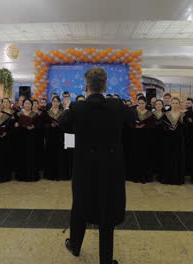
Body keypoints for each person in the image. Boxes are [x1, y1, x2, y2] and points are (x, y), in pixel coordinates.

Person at [60, 66, 132, 264]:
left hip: (84, 169)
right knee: (107, 212)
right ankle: (105, 260)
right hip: (111, 168)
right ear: (105, 85)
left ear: (86, 87)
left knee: (80, 206)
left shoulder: (76, 107)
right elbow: (132, 121)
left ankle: (75, 246)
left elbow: (63, 125)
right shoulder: (117, 106)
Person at [160, 98, 186, 185]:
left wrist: (182, 121)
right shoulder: (166, 114)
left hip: (178, 139)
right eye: (173, 103)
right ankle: (167, 178)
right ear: (171, 104)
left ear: (179, 104)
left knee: (178, 157)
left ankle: (177, 178)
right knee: (168, 157)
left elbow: (186, 128)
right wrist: (168, 128)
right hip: (168, 139)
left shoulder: (182, 114)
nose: (175, 105)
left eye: (176, 103)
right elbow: (162, 126)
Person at [128, 96, 154, 183]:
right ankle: (135, 176)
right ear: (137, 103)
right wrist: (135, 126)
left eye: (143, 103)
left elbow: (152, 125)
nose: (141, 105)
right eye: (140, 103)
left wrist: (144, 126)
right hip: (135, 137)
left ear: (146, 104)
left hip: (146, 137)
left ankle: (145, 176)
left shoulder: (150, 113)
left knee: (145, 156)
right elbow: (130, 123)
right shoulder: (133, 112)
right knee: (136, 156)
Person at [14, 99, 40, 182]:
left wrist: (34, 127)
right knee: (21, 155)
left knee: (31, 156)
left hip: (31, 138)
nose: (27, 105)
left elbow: (39, 125)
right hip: (21, 138)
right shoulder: (18, 114)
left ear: (32, 105)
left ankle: (32, 176)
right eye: (26, 103)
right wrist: (16, 124)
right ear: (23, 104)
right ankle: (21, 176)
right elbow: (13, 124)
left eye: (29, 103)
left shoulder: (35, 114)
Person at [43, 96, 68, 180]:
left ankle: (60, 174)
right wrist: (50, 125)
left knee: (60, 155)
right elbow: (44, 125)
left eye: (57, 101)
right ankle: (50, 175)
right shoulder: (47, 112)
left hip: (60, 136)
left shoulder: (63, 112)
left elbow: (66, 125)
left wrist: (59, 125)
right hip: (50, 137)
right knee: (51, 154)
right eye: (54, 101)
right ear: (52, 102)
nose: (56, 103)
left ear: (59, 103)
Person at [151, 100, 166, 180]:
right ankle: (154, 171)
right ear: (155, 105)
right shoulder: (151, 114)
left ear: (162, 105)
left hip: (163, 138)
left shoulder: (166, 115)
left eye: (160, 104)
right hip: (153, 137)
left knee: (162, 155)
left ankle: (160, 172)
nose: (158, 105)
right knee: (153, 154)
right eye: (157, 104)